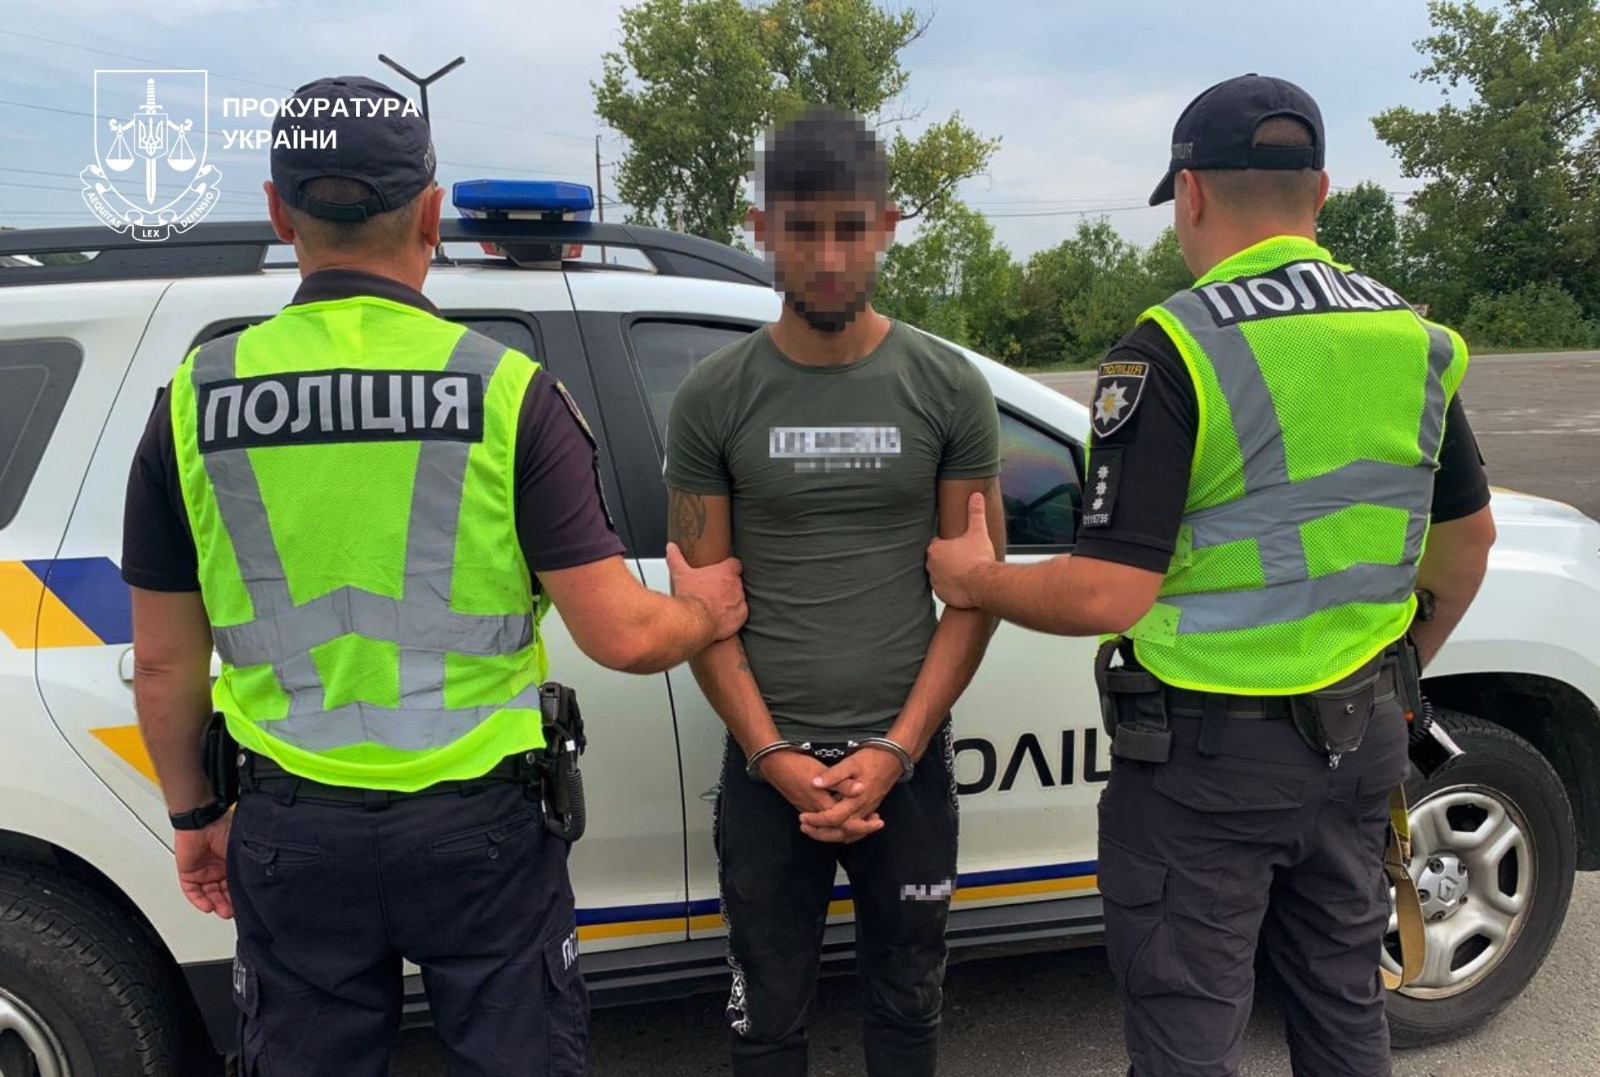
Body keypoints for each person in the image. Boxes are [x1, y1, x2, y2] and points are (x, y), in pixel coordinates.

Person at [122, 74, 746, 1077]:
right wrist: (704, 611)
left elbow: (162, 665)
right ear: (430, 211)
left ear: (279, 211)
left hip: (292, 826)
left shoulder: (194, 400)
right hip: (479, 832)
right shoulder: (507, 392)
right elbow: (624, 635)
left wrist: (197, 817)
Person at [925, 74, 1497, 1077]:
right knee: (1344, 1007)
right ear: (1321, 193)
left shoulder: (1174, 348)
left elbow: (1108, 593)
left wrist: (976, 579)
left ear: (1188, 194)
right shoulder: (1413, 340)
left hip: (1207, 768)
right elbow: (1470, 543)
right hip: (1362, 738)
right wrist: (1392, 674)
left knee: (1188, 1036)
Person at [664, 105, 1006, 1077]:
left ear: (885, 225)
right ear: (760, 228)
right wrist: (772, 755)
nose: (824, 256)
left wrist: (897, 749)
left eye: (848, 229)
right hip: (766, 773)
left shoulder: (947, 387)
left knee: (908, 1007)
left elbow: (975, 591)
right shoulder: (713, 398)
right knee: (766, 1022)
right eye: (800, 229)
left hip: (909, 768)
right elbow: (703, 607)